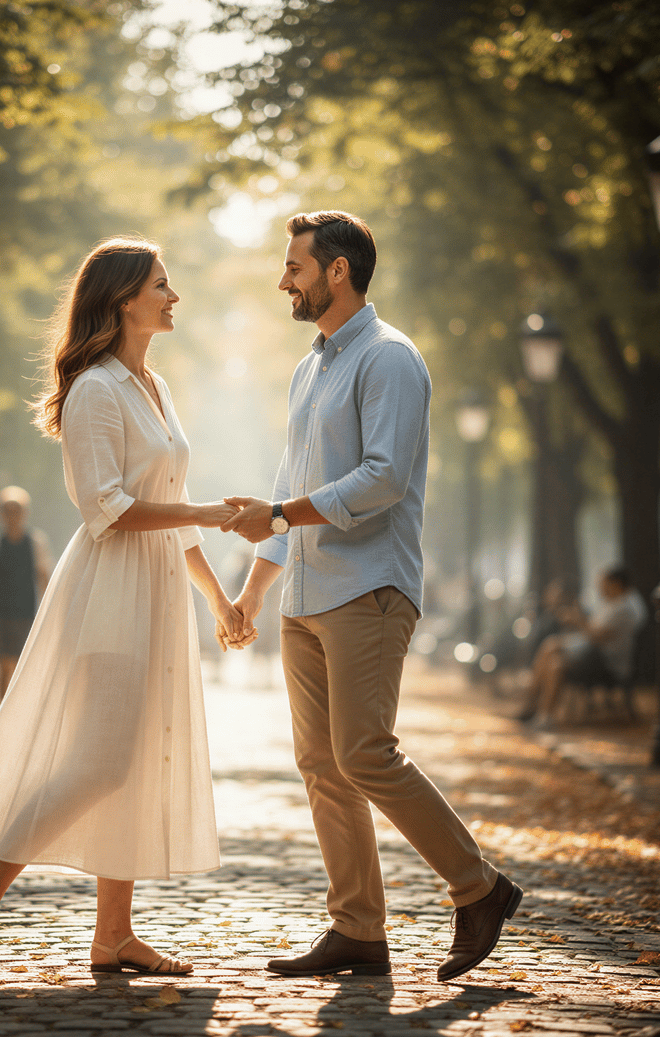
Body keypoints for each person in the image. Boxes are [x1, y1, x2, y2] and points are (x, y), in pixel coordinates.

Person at [0, 237, 252, 980]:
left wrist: (220, 601)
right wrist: (209, 511)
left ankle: (113, 936)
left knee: (130, 762)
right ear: (123, 298)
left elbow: (171, 512)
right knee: (101, 761)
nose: (174, 297)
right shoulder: (95, 390)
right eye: (163, 285)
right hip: (110, 594)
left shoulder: (154, 388)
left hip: (159, 591)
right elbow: (108, 509)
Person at [222, 210, 523, 982]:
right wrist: (256, 588)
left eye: (294, 266)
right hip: (304, 594)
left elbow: (384, 479)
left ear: (337, 272)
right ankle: (358, 929)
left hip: (369, 589)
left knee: (365, 752)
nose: (283, 280)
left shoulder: (389, 359)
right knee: (322, 764)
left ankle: (479, 888)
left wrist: (284, 514)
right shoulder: (311, 367)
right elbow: (290, 488)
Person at [525, 566, 647, 728]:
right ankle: (536, 709)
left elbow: (598, 637)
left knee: (555, 662)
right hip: (595, 654)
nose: (600, 588)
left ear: (616, 583)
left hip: (606, 662)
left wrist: (578, 620)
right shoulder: (619, 601)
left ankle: (539, 711)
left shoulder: (625, 608)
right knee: (551, 647)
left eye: (603, 583)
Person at [0, 486, 53, 701]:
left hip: (26, 613)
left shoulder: (36, 542)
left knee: (22, 665)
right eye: (7, 510)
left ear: (25, 512)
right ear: (0, 514)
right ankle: (1, 713)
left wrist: (51, 614)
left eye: (16, 510)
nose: (12, 515)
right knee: (2, 666)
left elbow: (45, 580)